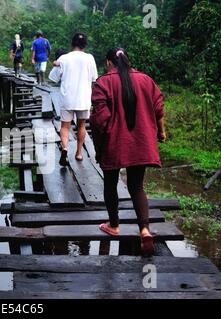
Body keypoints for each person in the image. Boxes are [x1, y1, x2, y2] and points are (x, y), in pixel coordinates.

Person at [90, 47, 167, 256]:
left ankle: (114, 225)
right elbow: (159, 108)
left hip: (115, 142)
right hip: (140, 141)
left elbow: (99, 120)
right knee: (137, 186)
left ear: (108, 63)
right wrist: (161, 132)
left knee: (110, 183)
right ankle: (144, 230)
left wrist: (100, 144)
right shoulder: (146, 80)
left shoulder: (103, 83)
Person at [52, 33, 98, 165]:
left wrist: (57, 64)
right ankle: (78, 153)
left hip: (68, 98)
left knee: (65, 126)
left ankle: (65, 148)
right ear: (85, 45)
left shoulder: (64, 58)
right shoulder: (90, 58)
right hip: (83, 98)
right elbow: (94, 79)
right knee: (81, 125)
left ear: (72, 44)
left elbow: (54, 78)